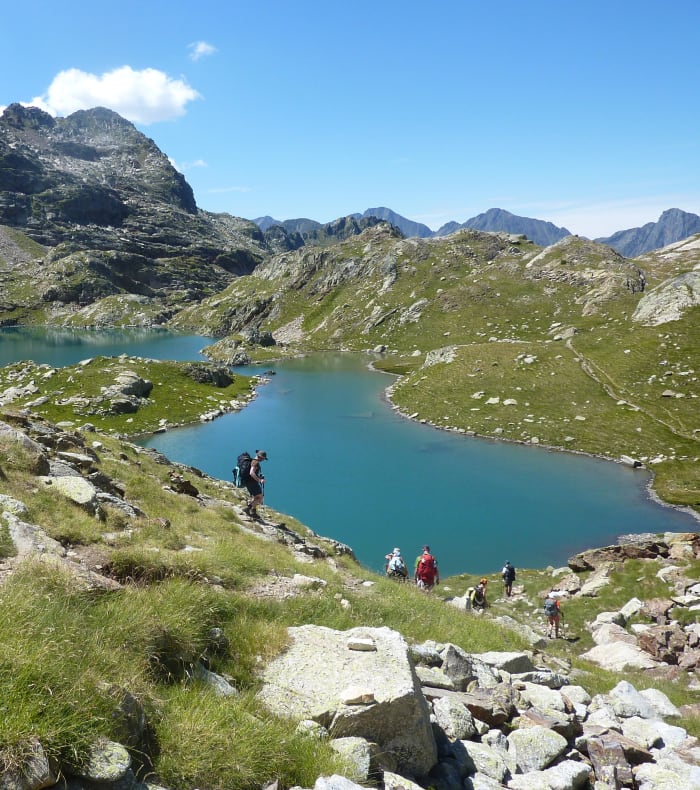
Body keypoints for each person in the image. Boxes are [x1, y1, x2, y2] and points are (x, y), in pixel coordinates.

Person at [243, 449, 267, 519]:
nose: (263, 460)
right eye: (263, 458)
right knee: (260, 497)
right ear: (260, 457)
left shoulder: (253, 460)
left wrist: (259, 477)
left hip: (249, 482)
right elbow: (251, 473)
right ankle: (248, 509)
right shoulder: (255, 462)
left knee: (256, 497)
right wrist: (259, 480)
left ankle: (253, 512)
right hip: (252, 483)